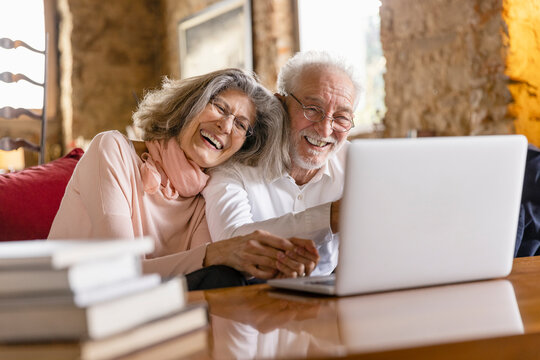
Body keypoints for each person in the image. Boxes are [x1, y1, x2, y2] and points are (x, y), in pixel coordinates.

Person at [48, 68, 319, 289]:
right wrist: (219, 253)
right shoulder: (112, 149)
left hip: (144, 318)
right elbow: (120, 273)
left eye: (240, 125)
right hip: (68, 307)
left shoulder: (205, 192)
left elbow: (201, 276)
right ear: (191, 105)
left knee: (225, 279)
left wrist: (278, 265)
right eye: (220, 108)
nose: (225, 126)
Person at [203, 51, 361, 276]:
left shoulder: (357, 166)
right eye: (313, 109)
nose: (325, 129)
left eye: (342, 118)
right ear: (280, 105)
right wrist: (331, 217)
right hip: (248, 300)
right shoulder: (234, 163)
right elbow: (232, 240)